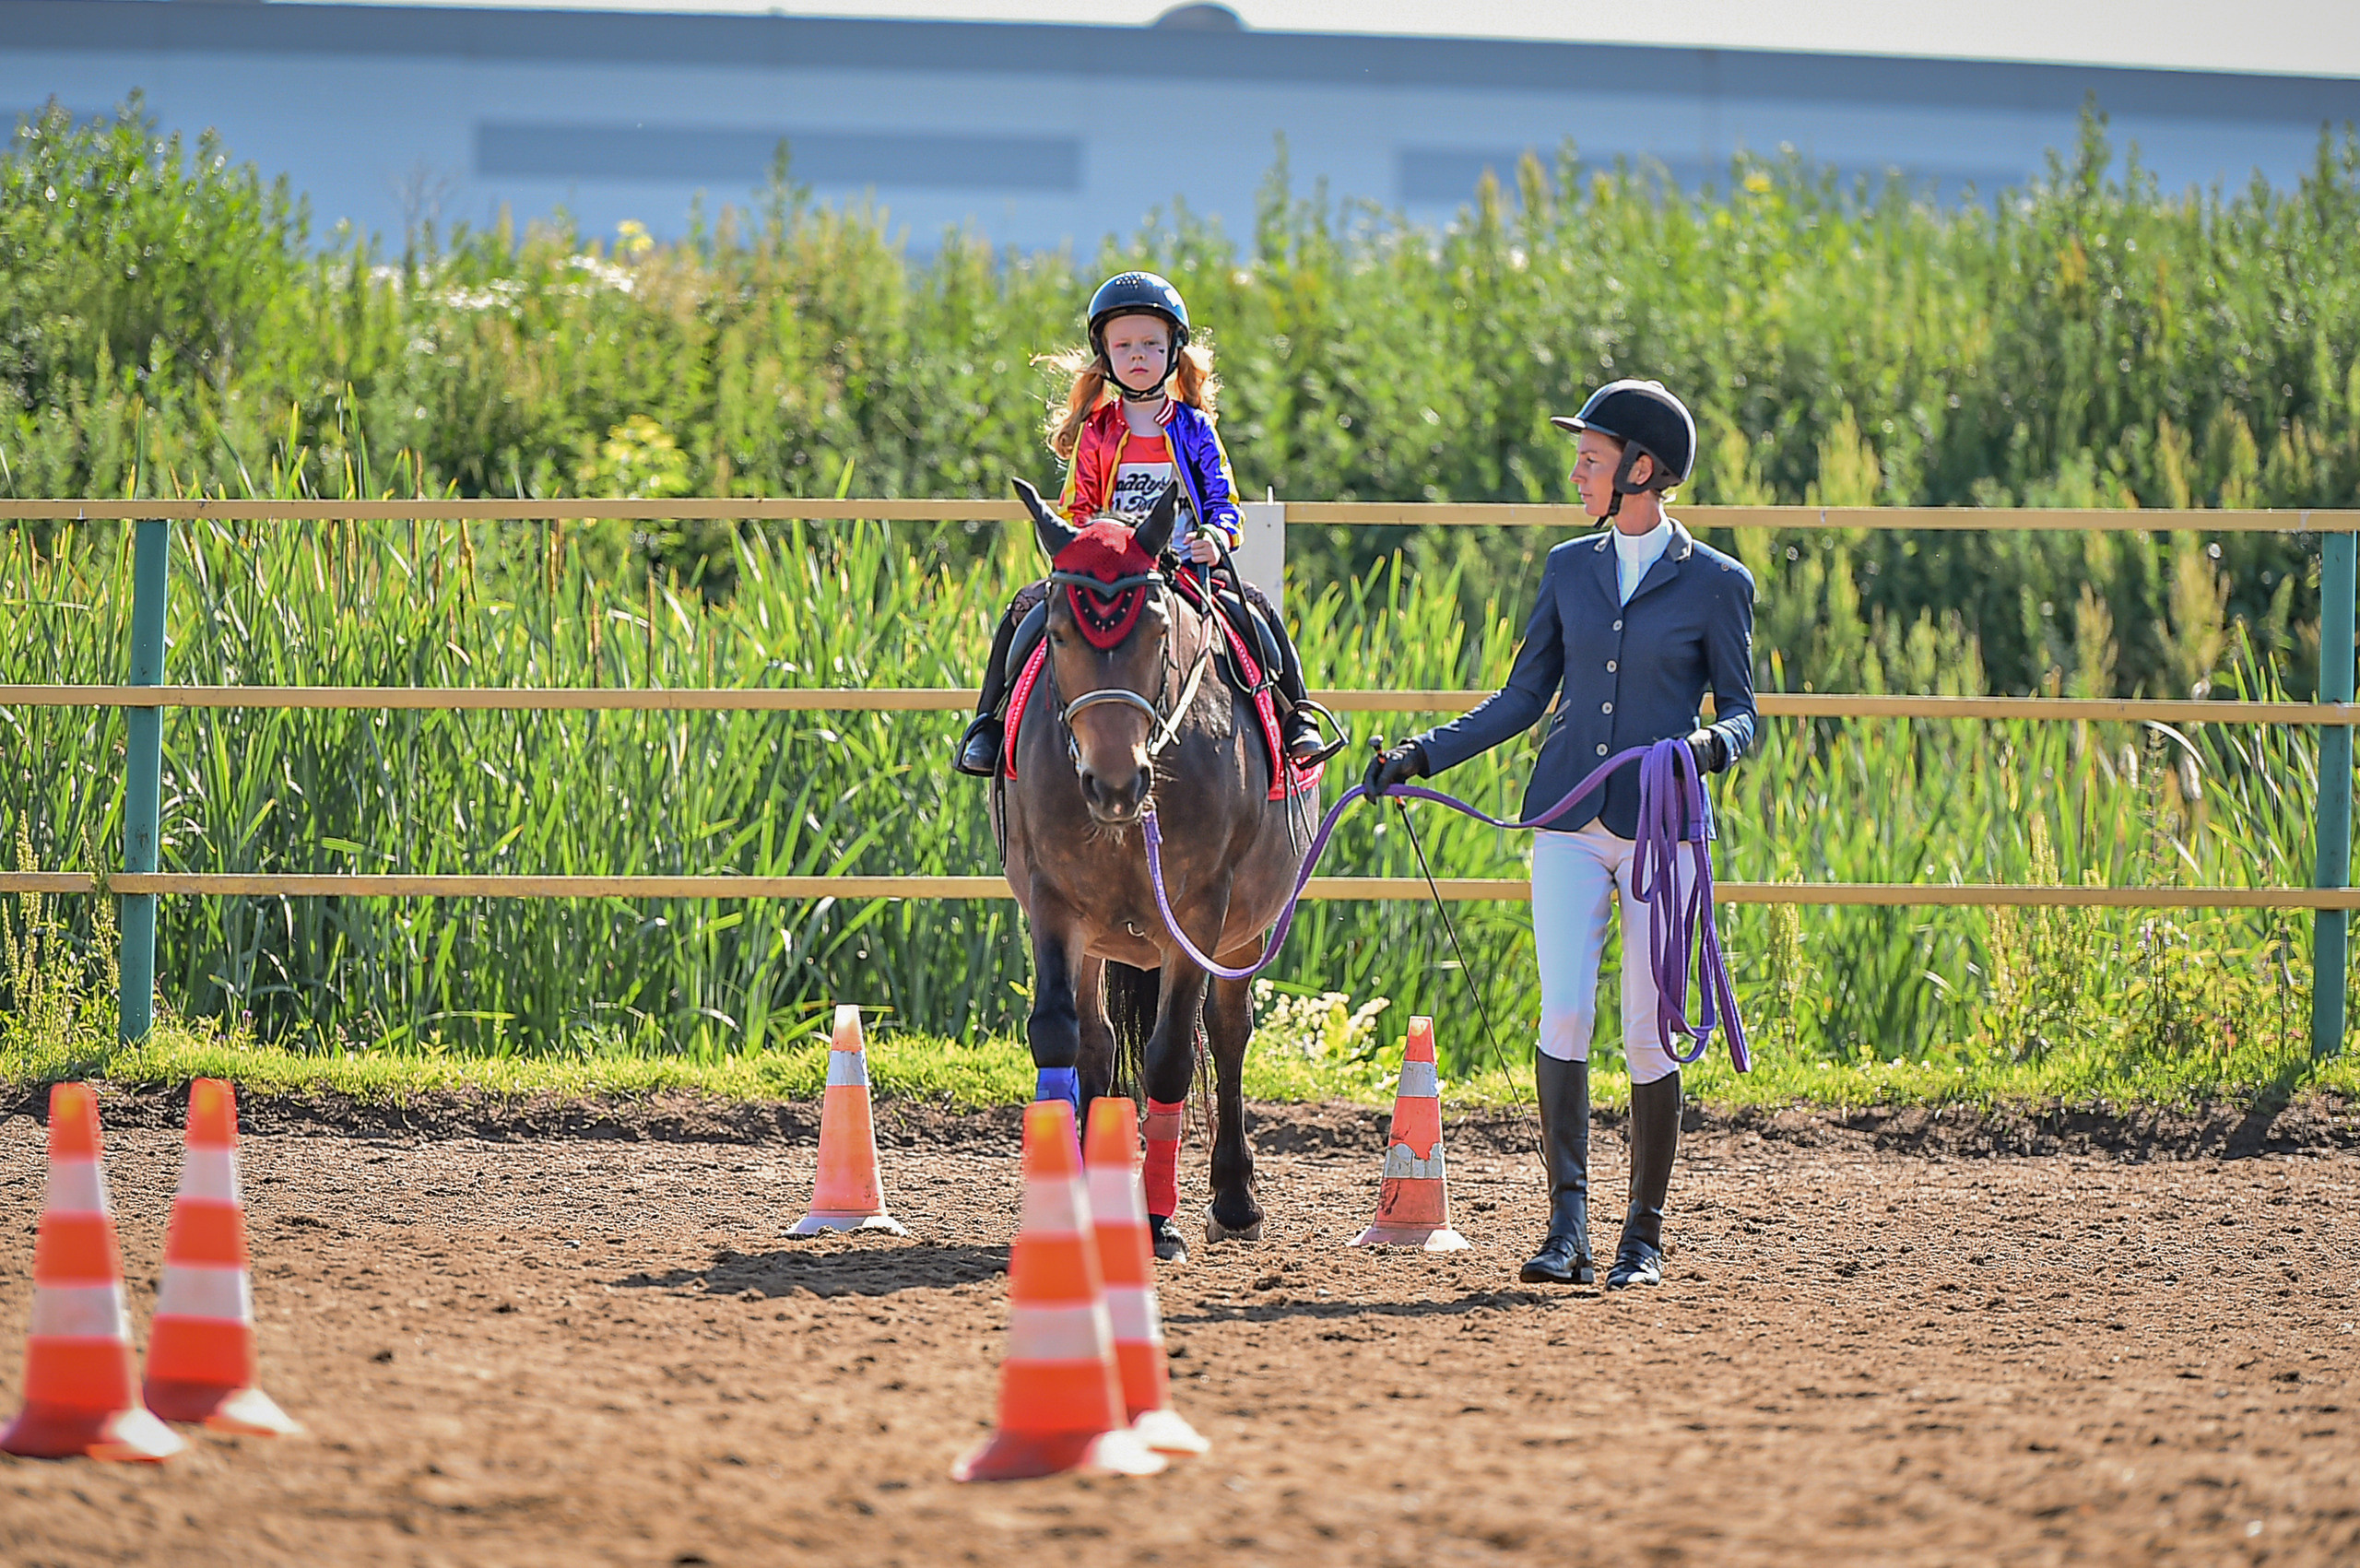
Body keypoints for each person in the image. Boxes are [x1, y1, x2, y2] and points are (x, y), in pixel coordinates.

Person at [1364, 380, 1756, 1290]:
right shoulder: (1566, 568)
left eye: (1591, 458)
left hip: (1665, 832)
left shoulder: (1717, 584)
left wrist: (1706, 748)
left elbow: (1742, 712)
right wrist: (1422, 755)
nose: (1577, 473)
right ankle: (1567, 1228)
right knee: (1567, 1011)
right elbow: (1519, 698)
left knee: (1649, 1034)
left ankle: (1642, 1238)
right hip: (1568, 824)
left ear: (1642, 469)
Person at [954, 270, 1332, 778]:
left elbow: (1225, 501)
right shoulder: (1096, 431)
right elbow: (1076, 508)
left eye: (1152, 344)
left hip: (1185, 570)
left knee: (1257, 614)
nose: (1138, 355)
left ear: (1174, 351)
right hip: (1110, 574)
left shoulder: (1194, 428)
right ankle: (989, 724)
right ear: (1105, 355)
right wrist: (1091, 546)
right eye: (1125, 345)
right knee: (1023, 614)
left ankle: (1295, 718)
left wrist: (1217, 538)